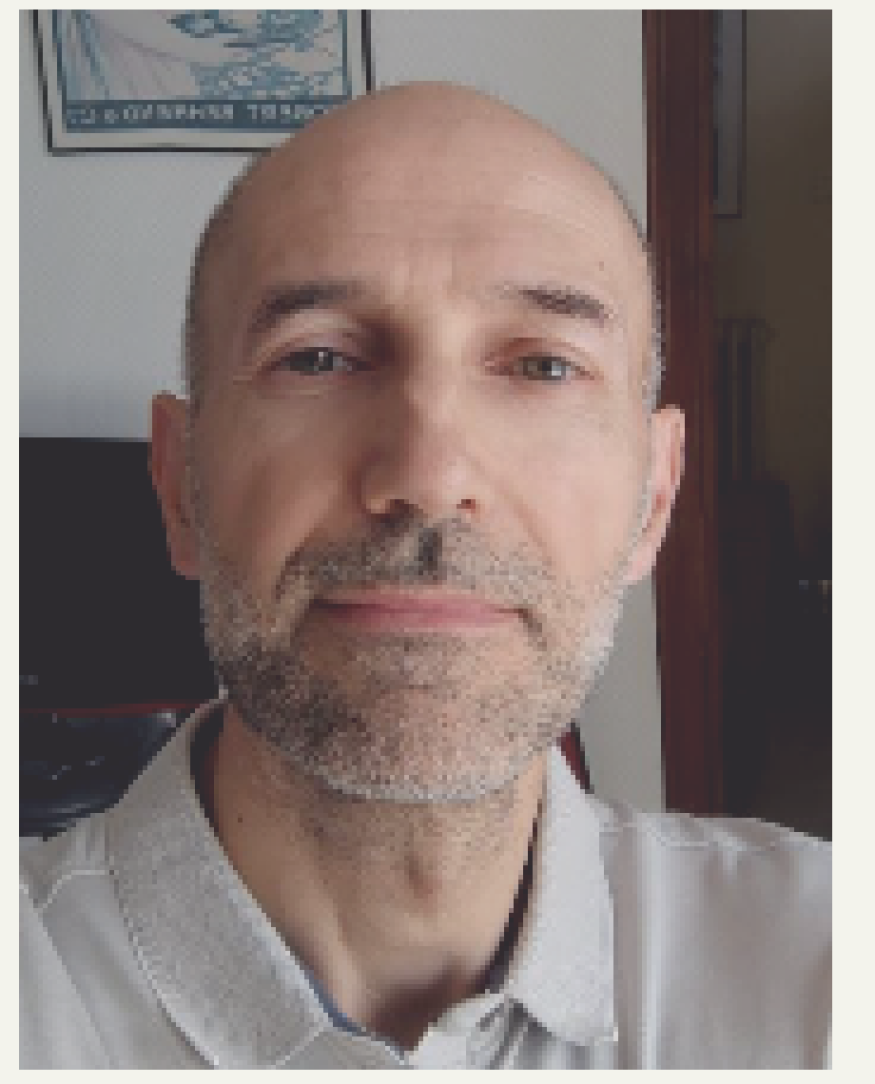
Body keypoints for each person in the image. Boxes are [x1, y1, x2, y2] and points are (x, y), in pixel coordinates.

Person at [20, 82, 831, 1069]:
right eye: (317, 358)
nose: (430, 475)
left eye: (542, 366)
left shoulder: (825, 964)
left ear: (653, 498)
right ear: (178, 484)